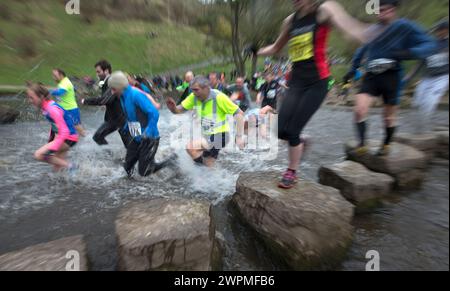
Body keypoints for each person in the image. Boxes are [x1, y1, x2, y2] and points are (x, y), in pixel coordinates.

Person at [257, 0, 370, 189]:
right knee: (279, 130)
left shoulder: (323, 11)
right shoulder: (290, 21)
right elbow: (276, 48)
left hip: (317, 82)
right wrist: (256, 51)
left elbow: (351, 28)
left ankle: (291, 171)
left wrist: (374, 35)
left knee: (293, 130)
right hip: (296, 82)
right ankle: (302, 142)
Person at [349, 0, 438, 156]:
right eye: (378, 10)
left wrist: (409, 53)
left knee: (389, 117)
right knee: (359, 110)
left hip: (392, 76)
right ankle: (362, 144)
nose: (381, 13)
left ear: (393, 10)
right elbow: (362, 49)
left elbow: (430, 44)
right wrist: (352, 69)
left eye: (385, 9)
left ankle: (386, 144)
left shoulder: (404, 26)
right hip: (371, 75)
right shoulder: (373, 29)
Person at [166, 76, 245, 167]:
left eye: (196, 90)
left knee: (190, 147)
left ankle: (201, 172)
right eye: (192, 90)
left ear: (206, 88)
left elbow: (239, 113)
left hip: (220, 135)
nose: (194, 93)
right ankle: (214, 177)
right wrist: (173, 108)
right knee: (208, 164)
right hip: (208, 135)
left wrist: (239, 137)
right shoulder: (194, 97)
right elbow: (179, 110)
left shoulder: (219, 97)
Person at [108, 71, 173, 177]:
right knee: (127, 167)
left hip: (150, 137)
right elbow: (131, 115)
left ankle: (172, 161)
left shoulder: (135, 95)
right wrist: (125, 127)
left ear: (120, 86)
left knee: (144, 171)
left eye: (113, 89)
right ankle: (129, 190)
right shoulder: (122, 96)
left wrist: (149, 130)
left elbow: (154, 113)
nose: (112, 92)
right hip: (136, 135)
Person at [404, 19, 449, 133]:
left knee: (430, 101)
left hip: (442, 78)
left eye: (442, 30)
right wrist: (409, 76)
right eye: (438, 30)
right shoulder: (429, 44)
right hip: (427, 78)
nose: (440, 32)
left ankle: (423, 129)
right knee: (417, 103)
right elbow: (420, 62)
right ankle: (416, 127)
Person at [27, 82, 78, 172]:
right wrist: (51, 140)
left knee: (39, 155)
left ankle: (72, 166)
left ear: (41, 97)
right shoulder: (46, 106)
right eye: (29, 97)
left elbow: (64, 130)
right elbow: (55, 125)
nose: (30, 101)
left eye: (32, 98)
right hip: (68, 137)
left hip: (68, 138)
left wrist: (55, 146)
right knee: (57, 170)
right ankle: (71, 179)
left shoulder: (52, 109)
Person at [81, 60, 131, 148]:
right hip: (113, 118)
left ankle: (142, 157)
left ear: (106, 71)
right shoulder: (105, 82)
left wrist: (86, 101)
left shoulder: (112, 82)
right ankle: (112, 156)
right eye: (96, 72)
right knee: (98, 137)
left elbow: (104, 100)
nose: (97, 74)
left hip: (121, 118)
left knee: (132, 144)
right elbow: (107, 99)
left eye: (98, 72)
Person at [50, 68, 86, 137]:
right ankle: (60, 139)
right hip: (63, 109)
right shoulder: (62, 82)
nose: (53, 77)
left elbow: (61, 92)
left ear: (61, 75)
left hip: (70, 109)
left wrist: (49, 92)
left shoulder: (65, 82)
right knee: (60, 125)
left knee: (77, 126)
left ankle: (86, 139)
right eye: (53, 75)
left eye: (55, 75)